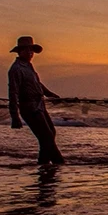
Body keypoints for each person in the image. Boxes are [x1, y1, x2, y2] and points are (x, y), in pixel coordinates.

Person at [8, 36, 65, 165]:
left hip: (39, 104)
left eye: (31, 50)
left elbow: (37, 84)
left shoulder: (28, 66)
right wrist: (15, 116)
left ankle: (43, 162)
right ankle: (59, 162)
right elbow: (13, 93)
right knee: (47, 136)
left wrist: (50, 94)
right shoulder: (16, 69)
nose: (30, 53)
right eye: (27, 50)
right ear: (19, 51)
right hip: (29, 107)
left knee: (51, 132)